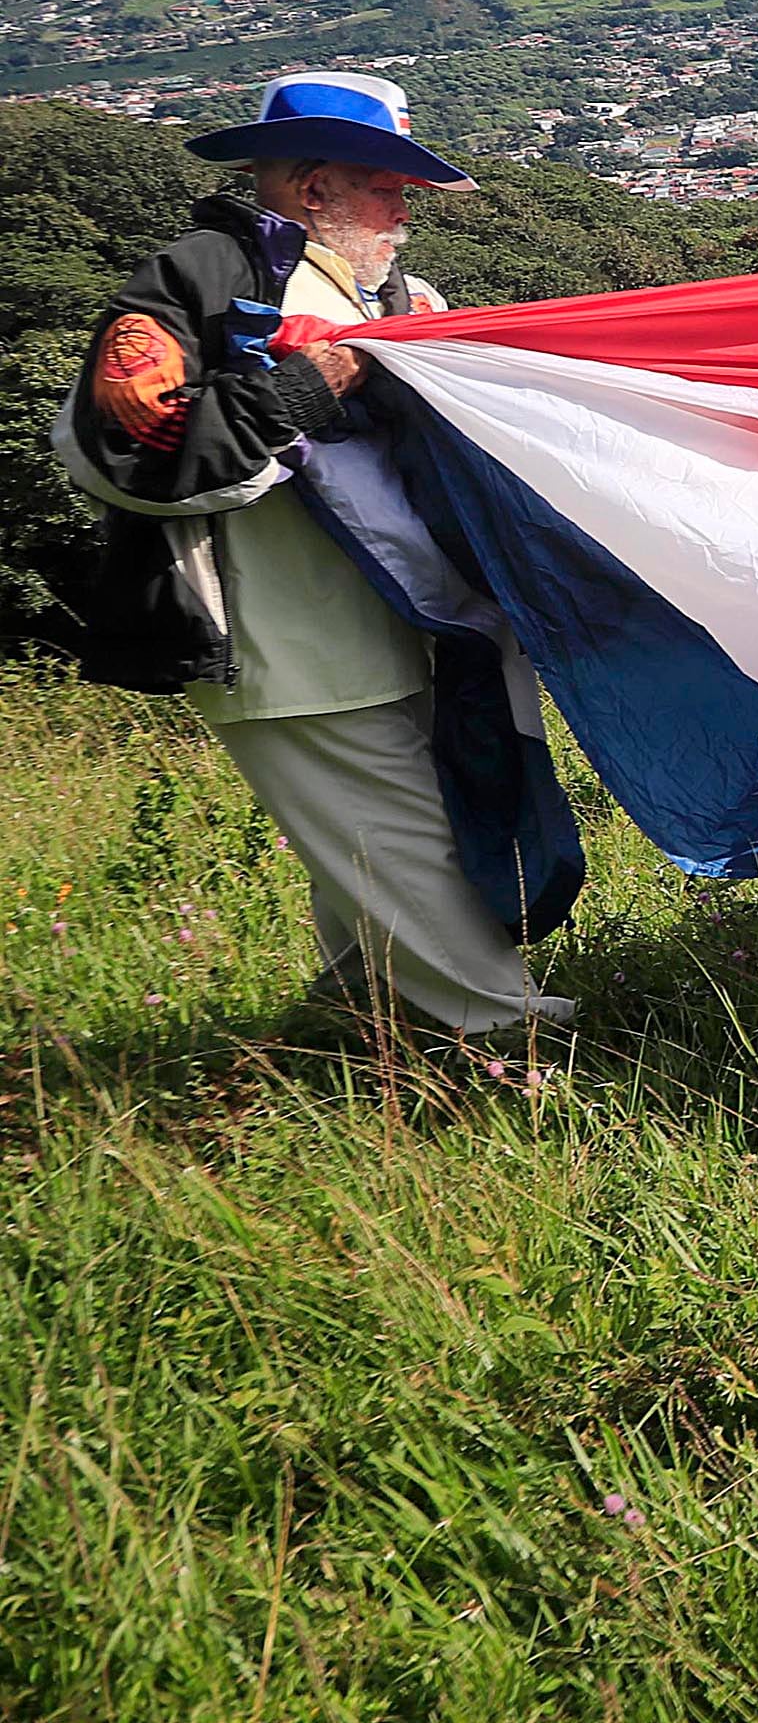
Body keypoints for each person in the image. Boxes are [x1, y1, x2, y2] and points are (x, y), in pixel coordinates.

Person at [61, 73, 576, 1039]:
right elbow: (133, 448)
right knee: (402, 841)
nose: (403, 208)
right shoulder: (202, 282)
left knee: (380, 839)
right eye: (386, 184)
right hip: (282, 636)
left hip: (394, 617)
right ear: (311, 189)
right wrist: (320, 379)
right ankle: (503, 1033)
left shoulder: (377, 286)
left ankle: (353, 1015)